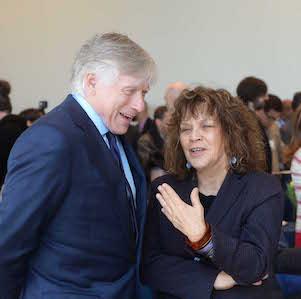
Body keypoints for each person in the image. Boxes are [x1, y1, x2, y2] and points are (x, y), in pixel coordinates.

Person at [0, 32, 156, 299]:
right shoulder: (51, 139)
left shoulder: (116, 136)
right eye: (130, 91)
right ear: (91, 82)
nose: (140, 105)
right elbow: (10, 242)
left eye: (143, 93)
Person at [142, 86, 284, 299]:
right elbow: (150, 265)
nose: (194, 137)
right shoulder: (165, 189)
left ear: (230, 133)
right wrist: (214, 279)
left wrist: (203, 237)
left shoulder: (262, 188)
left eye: (206, 126)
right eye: (185, 129)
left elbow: (255, 264)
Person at [236, 76, 272, 173]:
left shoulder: (249, 117)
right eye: (263, 95)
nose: (266, 98)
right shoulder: (245, 121)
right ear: (253, 96)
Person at [137, 105, 168, 182]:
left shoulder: (172, 139)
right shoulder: (145, 141)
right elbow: (146, 166)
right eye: (169, 123)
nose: (172, 126)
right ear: (158, 122)